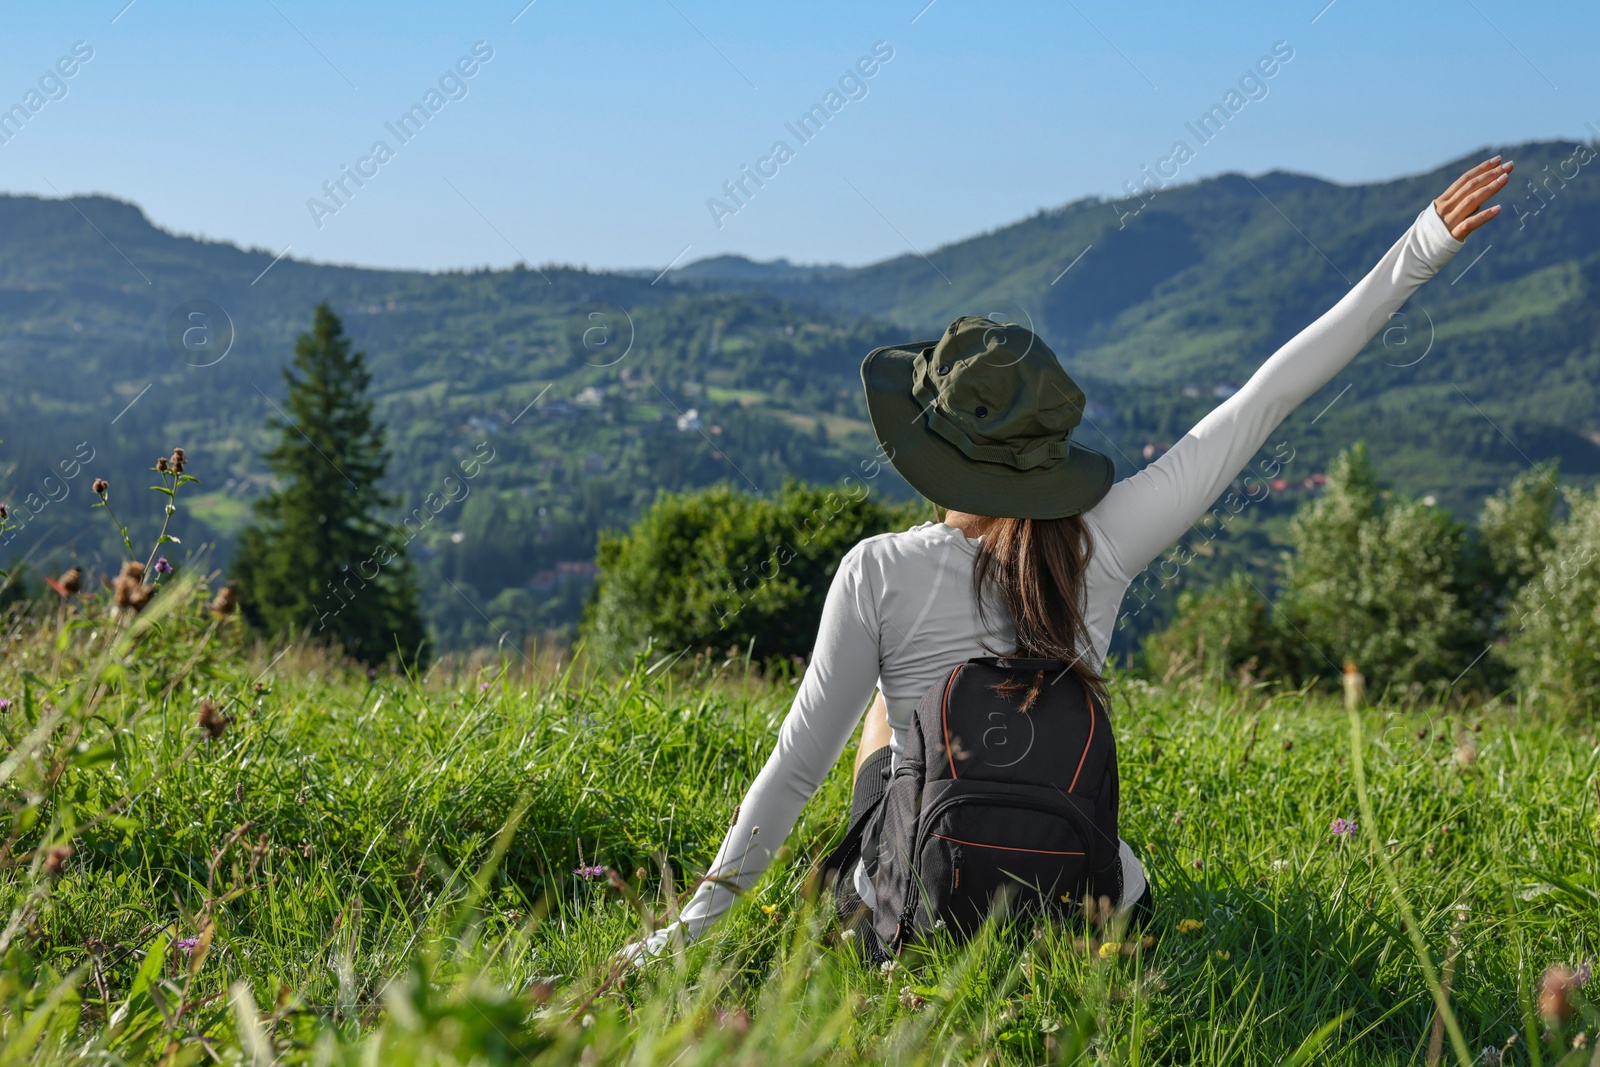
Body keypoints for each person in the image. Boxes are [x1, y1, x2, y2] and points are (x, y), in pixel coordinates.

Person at [625, 156, 1511, 960]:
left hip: (923, 917)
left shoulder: (878, 570)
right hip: (1092, 907)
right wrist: (1420, 247)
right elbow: (1263, 399)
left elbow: (793, 771)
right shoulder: (1107, 537)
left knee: (889, 722)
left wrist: (685, 930)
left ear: (934, 449)